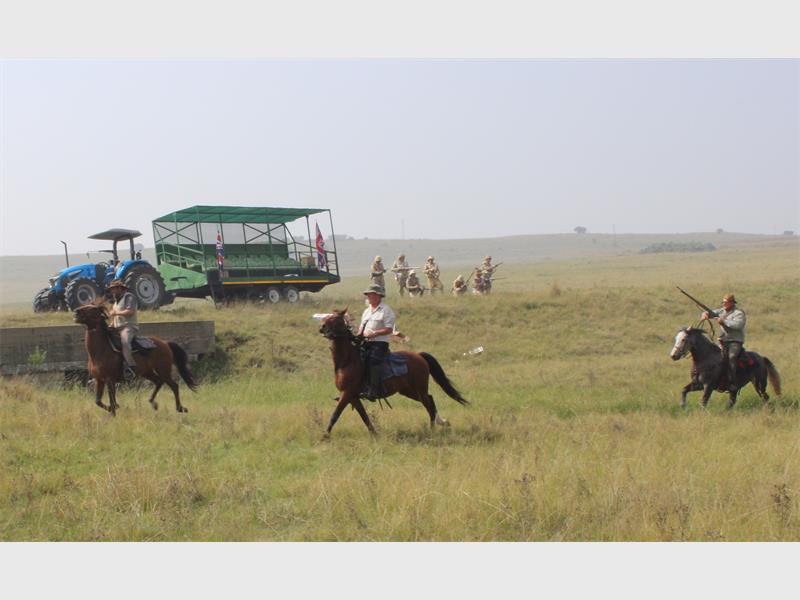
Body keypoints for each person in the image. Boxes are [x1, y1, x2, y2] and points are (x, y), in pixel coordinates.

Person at [701, 293, 746, 391]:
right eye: (723, 302)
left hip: (735, 341)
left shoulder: (739, 313)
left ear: (732, 303)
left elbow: (738, 325)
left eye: (726, 302)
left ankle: (733, 382)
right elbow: (710, 312)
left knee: (732, 357)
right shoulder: (721, 311)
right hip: (723, 341)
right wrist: (705, 314)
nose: (724, 304)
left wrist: (724, 321)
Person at [359, 283, 396, 400]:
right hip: (365, 342)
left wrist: (375, 333)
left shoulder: (386, 310)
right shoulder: (366, 311)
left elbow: (389, 329)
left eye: (372, 295)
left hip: (380, 344)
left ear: (379, 296)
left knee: (372, 360)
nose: (369, 297)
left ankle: (373, 390)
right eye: (368, 295)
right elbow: (361, 328)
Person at [108, 279, 138, 381]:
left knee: (125, 343)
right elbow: (116, 317)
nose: (112, 291)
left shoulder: (129, 297)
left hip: (128, 327)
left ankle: (131, 368)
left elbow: (130, 312)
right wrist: (111, 325)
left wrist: (116, 313)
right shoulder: (116, 301)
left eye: (114, 289)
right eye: (111, 289)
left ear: (120, 288)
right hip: (117, 328)